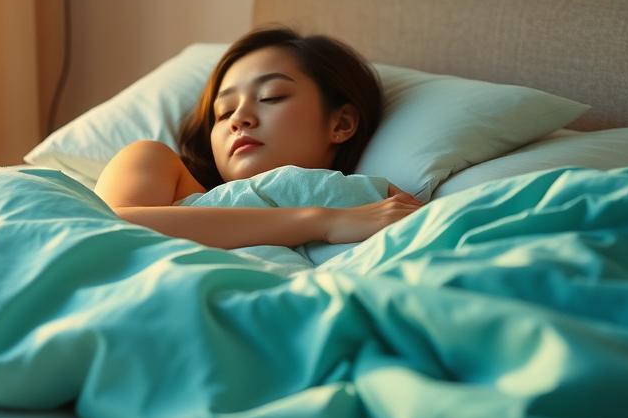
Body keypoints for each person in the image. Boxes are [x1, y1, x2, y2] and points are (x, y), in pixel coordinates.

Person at [94, 26, 422, 250]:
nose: (239, 119)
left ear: (341, 123)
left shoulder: (366, 205)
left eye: (271, 96)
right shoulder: (155, 161)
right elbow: (106, 228)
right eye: (223, 113)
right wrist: (324, 222)